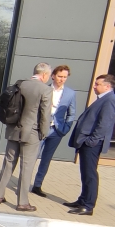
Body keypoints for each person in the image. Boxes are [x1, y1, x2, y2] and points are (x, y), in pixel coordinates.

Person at [0, 63, 52, 211]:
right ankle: (22, 202)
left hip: (13, 129)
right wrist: (44, 133)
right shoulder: (45, 89)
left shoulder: (19, 84)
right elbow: (45, 115)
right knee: (26, 167)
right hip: (31, 132)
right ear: (44, 75)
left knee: (8, 163)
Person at [63, 74, 115, 215]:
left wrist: (91, 141)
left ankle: (88, 206)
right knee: (85, 172)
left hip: (92, 144)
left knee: (90, 174)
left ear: (107, 86)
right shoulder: (103, 99)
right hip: (88, 142)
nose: (94, 86)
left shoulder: (110, 100)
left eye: (97, 84)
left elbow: (104, 124)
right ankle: (82, 200)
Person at [31, 65, 77, 197]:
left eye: (65, 77)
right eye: (60, 76)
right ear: (53, 76)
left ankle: (37, 185)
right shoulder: (44, 89)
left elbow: (71, 113)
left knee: (46, 159)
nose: (62, 79)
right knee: (32, 156)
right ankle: (24, 182)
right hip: (41, 128)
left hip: (56, 131)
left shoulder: (70, 93)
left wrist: (65, 129)